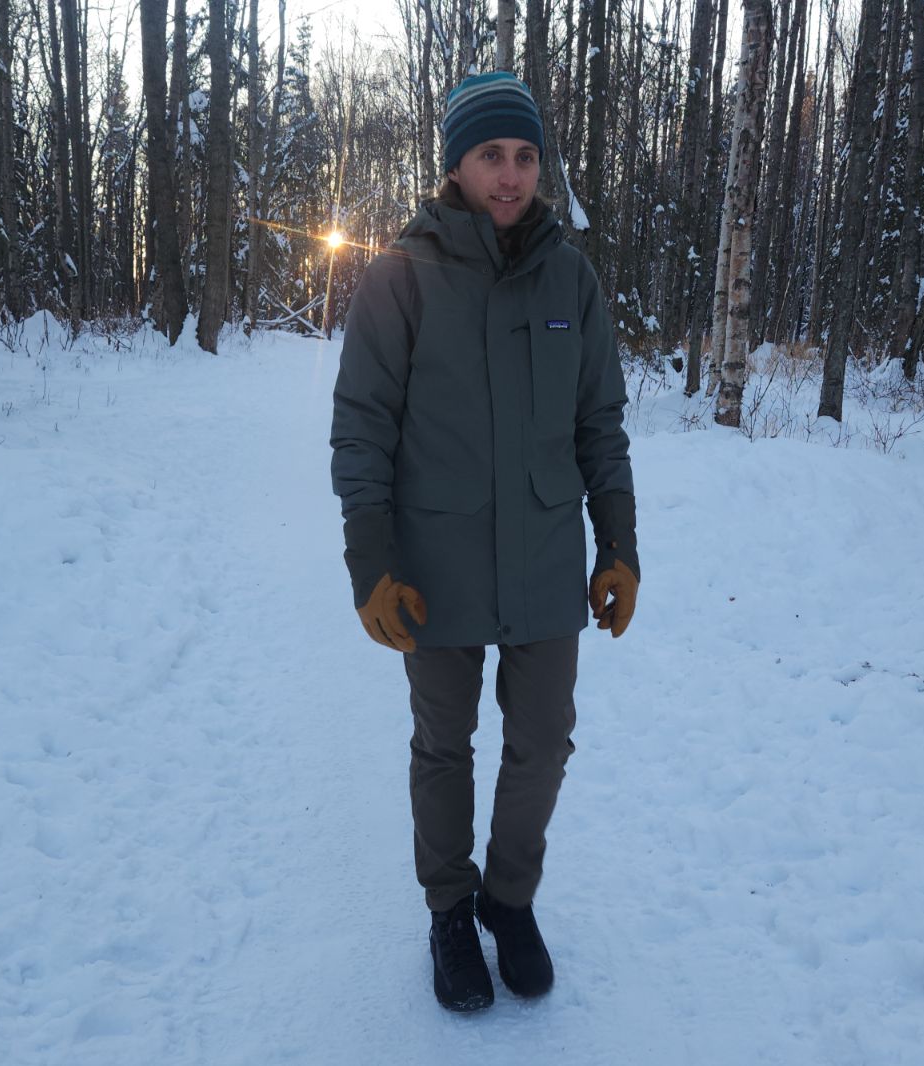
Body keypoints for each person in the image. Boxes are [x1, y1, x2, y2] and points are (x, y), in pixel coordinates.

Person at [329, 71, 640, 1013]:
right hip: (437, 560)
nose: (510, 175)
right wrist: (371, 564)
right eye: (491, 155)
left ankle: (509, 899)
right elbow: (361, 430)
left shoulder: (570, 278)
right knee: (445, 744)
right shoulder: (400, 276)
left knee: (543, 740)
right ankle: (449, 910)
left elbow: (600, 425)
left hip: (543, 556)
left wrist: (618, 546)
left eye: (526, 156)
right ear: (456, 164)